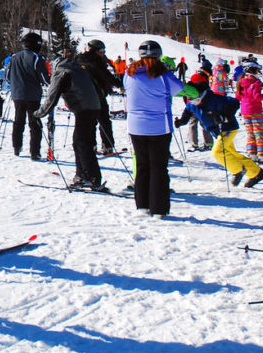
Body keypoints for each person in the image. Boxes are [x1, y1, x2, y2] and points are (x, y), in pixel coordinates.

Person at [124, 40, 184, 218]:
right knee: (158, 167)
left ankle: (142, 205)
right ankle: (159, 208)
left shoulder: (130, 73)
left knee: (142, 165)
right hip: (159, 126)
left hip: (136, 126)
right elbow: (178, 89)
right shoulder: (163, 74)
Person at [176, 80, 263, 188]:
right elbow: (187, 111)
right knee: (231, 153)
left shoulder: (214, 99)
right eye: (191, 100)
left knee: (217, 151)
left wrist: (224, 115)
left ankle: (238, 170)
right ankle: (256, 173)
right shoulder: (192, 104)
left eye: (196, 100)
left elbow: (235, 102)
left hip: (228, 128)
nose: (195, 103)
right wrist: (181, 121)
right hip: (217, 132)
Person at [35, 54, 103, 190]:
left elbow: (52, 96)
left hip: (84, 108)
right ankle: (83, 175)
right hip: (94, 106)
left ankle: (91, 177)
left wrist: (39, 113)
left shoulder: (61, 72)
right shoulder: (79, 69)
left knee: (81, 143)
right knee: (82, 141)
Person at [5, 32, 50, 160]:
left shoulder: (14, 57)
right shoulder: (36, 58)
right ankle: (34, 152)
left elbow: (7, 76)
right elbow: (44, 78)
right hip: (33, 95)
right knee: (34, 123)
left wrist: (16, 83)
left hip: (17, 94)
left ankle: (16, 147)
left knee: (18, 121)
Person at [76, 39, 123, 154]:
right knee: (104, 121)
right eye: (101, 50)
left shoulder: (80, 60)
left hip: (83, 96)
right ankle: (107, 145)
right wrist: (121, 84)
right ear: (95, 50)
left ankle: (91, 145)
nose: (103, 52)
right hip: (97, 95)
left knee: (90, 122)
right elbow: (107, 76)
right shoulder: (96, 62)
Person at [235, 60, 263, 163]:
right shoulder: (255, 82)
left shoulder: (241, 81)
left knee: (250, 133)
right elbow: (257, 97)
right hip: (255, 110)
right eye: (257, 70)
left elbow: (238, 96)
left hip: (245, 111)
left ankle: (252, 154)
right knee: (259, 132)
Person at [183, 71, 213, 151]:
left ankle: (193, 143)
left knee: (192, 124)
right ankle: (209, 142)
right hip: (203, 109)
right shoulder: (205, 87)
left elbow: (186, 98)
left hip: (193, 108)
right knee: (205, 124)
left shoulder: (191, 88)